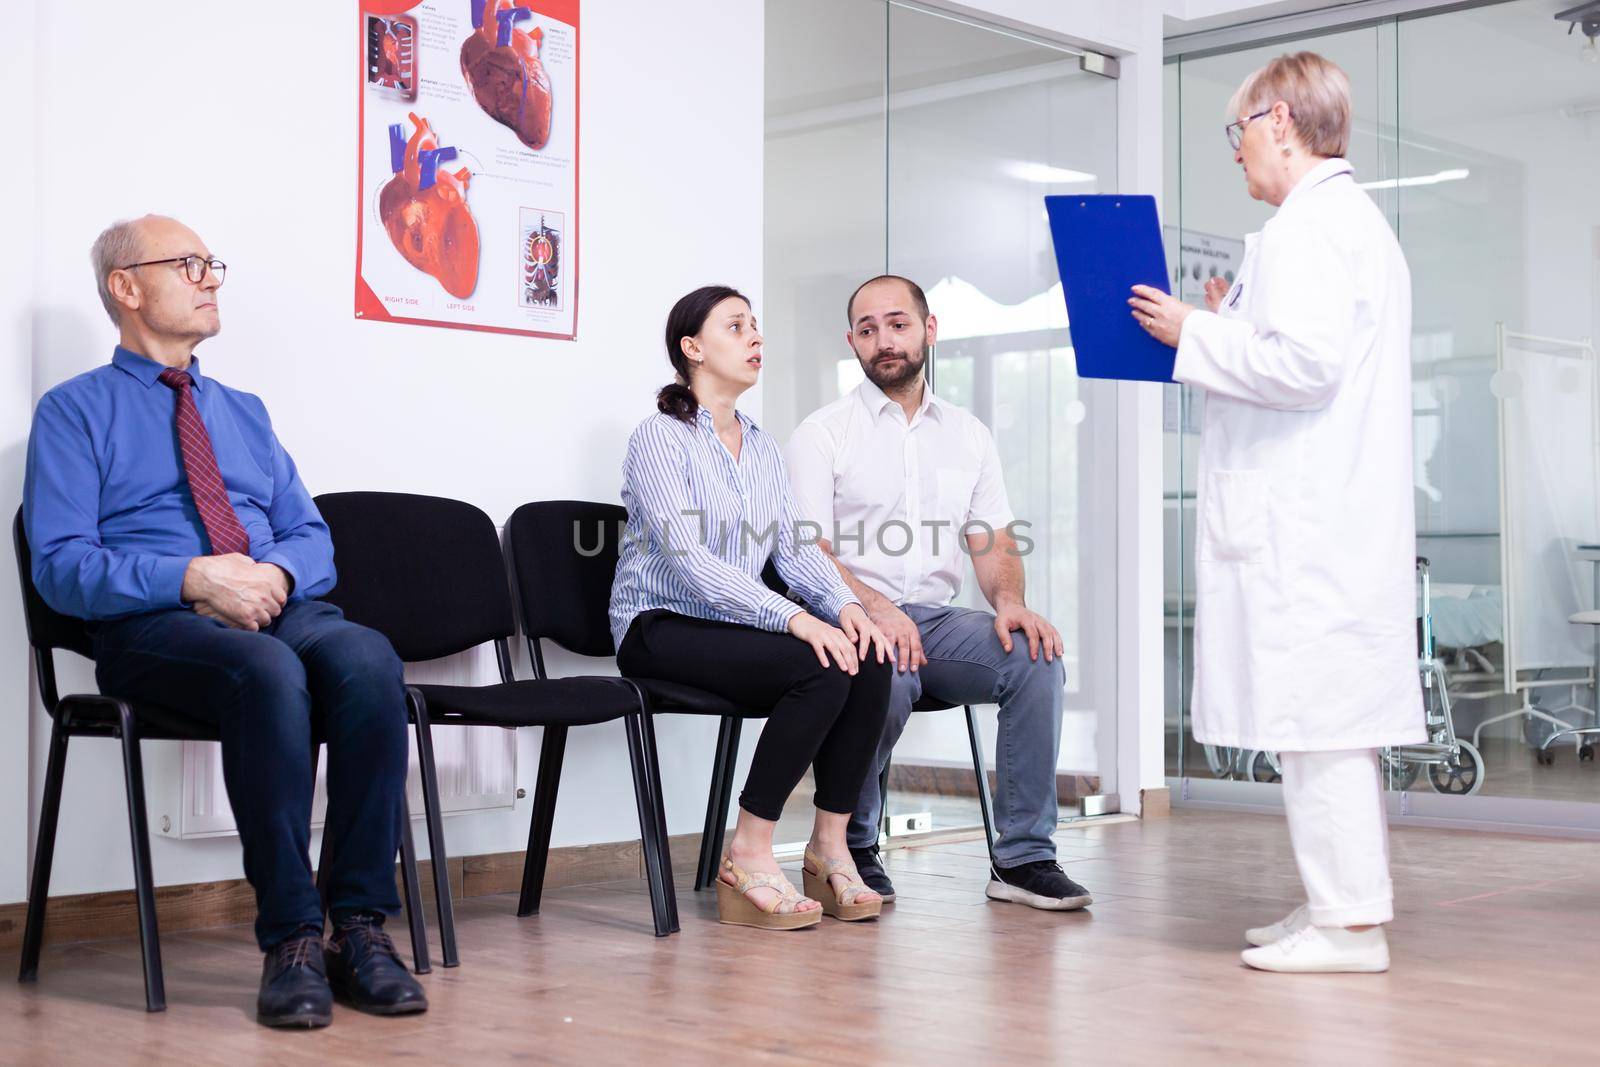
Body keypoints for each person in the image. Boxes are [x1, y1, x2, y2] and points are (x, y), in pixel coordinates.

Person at [23, 215, 427, 1025]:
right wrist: (191, 577)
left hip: (275, 606)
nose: (212, 278)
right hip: (153, 627)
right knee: (268, 672)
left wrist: (270, 574)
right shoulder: (73, 412)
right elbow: (59, 564)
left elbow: (312, 535)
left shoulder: (243, 411)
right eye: (190, 264)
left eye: (214, 264)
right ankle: (290, 937)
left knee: (367, 659)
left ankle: (355, 926)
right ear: (126, 287)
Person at [1128, 52, 1424, 974]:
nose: (1236, 154)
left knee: (1320, 722)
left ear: (1282, 123)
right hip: (1320, 518)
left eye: (1239, 131)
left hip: (1310, 527)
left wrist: (1195, 332)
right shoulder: (1335, 225)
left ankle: (1349, 926)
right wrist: (1229, 326)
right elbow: (1300, 355)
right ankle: (1339, 904)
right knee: (1320, 723)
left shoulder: (1311, 229)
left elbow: (1304, 368)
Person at [785, 274, 1092, 912]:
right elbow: (807, 553)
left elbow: (993, 540)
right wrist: (877, 609)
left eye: (897, 324)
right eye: (867, 330)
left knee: (1034, 657)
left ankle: (1024, 858)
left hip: (937, 622)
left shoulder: (969, 434)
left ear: (929, 329)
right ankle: (851, 846)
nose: (883, 341)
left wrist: (1009, 603)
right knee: (884, 670)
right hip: (850, 616)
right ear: (852, 343)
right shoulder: (822, 433)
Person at [610, 285, 894, 931]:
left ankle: (829, 847)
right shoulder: (658, 438)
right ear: (693, 348)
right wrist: (794, 617)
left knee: (867, 653)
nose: (755, 337)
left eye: (756, 326)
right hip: (659, 624)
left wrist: (845, 605)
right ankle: (749, 852)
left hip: (730, 623)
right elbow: (688, 561)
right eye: (736, 326)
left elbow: (794, 552)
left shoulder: (762, 448)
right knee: (820, 665)